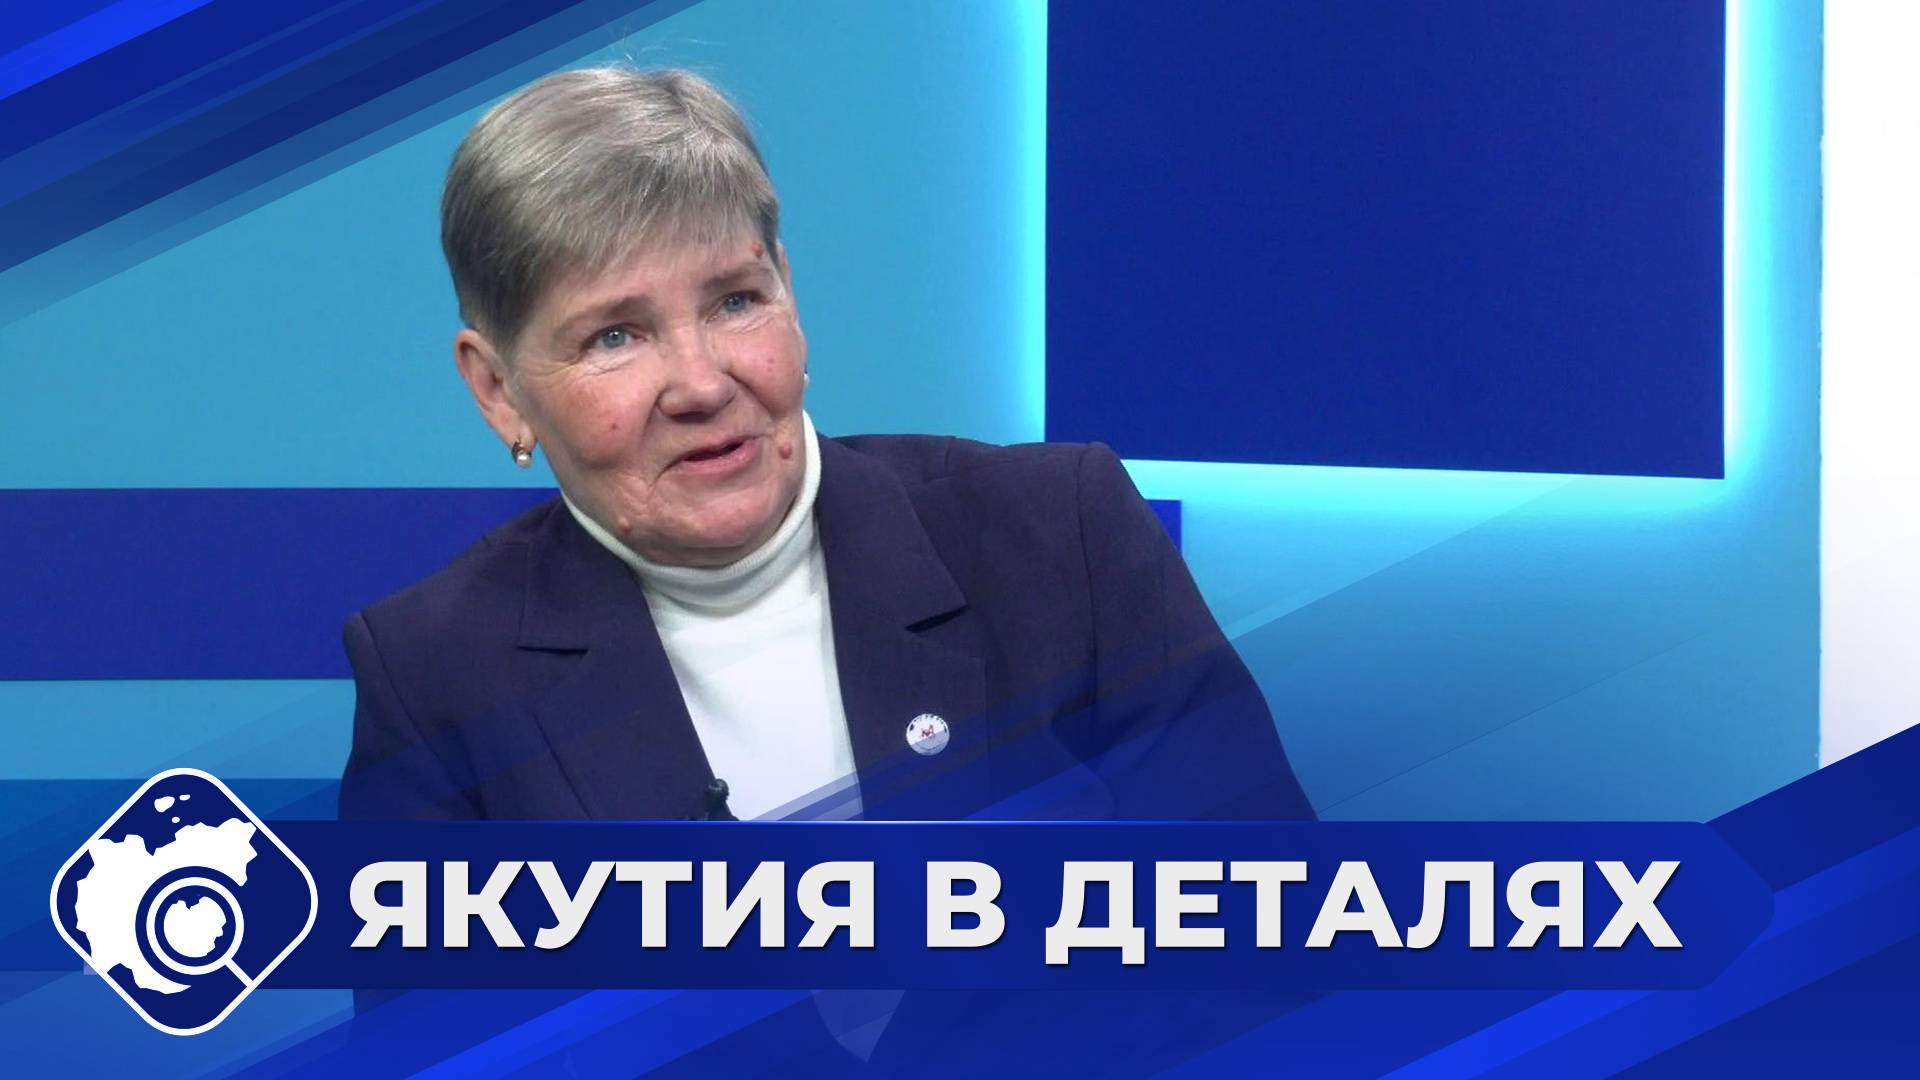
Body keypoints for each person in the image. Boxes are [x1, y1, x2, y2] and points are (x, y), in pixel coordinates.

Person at [337, 65, 1312, 828]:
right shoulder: (438, 674)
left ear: (788, 291)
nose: (703, 383)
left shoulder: (1060, 535)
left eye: (735, 301)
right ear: (498, 389)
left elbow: (1271, 951)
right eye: (615, 336)